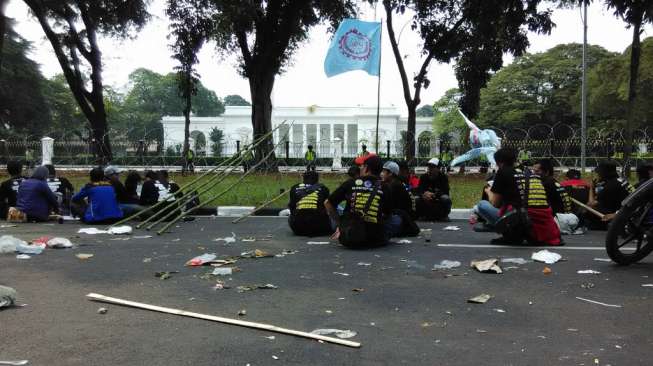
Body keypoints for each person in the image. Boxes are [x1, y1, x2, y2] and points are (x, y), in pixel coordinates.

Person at [478, 148, 561, 245]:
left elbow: (495, 203)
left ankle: (510, 235)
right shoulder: (526, 172)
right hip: (540, 221)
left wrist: (488, 191)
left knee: (481, 205)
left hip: (521, 218)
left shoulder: (503, 172)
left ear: (499, 163)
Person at [325, 154, 387, 248]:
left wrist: (341, 224)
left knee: (341, 211)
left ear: (366, 168)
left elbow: (327, 203)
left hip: (350, 237)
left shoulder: (350, 183)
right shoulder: (385, 187)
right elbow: (388, 212)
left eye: (361, 166)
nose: (360, 168)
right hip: (376, 240)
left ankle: (342, 230)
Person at [532, 158, 578, 235]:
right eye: (533, 171)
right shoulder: (554, 182)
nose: (533, 174)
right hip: (568, 219)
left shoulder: (546, 184)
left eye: (537, 171)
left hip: (558, 221)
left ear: (546, 172)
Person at [587, 160, 635, 230]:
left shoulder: (610, 186)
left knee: (588, 209)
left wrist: (591, 188)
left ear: (604, 173)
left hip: (622, 215)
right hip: (628, 211)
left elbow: (591, 204)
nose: (597, 175)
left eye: (598, 173)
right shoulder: (621, 181)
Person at [380, 161, 419, 238]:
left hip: (403, 218)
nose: (381, 174)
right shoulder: (396, 183)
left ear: (390, 173)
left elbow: (388, 207)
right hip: (405, 216)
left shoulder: (394, 186)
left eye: (384, 171)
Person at [287, 170, 331, 236]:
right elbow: (328, 206)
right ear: (317, 179)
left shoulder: (295, 188)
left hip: (298, 227)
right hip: (320, 227)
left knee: (292, 215)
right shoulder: (323, 188)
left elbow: (292, 207)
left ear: (303, 178)